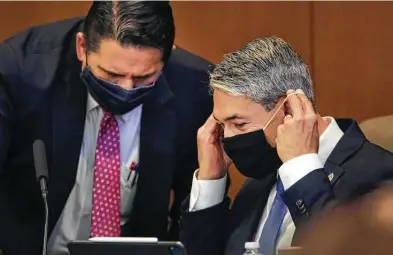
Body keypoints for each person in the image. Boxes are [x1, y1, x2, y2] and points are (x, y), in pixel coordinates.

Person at [0, 1, 214, 255]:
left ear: (168, 57)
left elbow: (194, 213)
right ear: (82, 47)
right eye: (111, 75)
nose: (125, 89)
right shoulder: (19, 71)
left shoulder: (194, 89)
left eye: (144, 77)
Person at [179, 37, 393, 255]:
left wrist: (301, 168)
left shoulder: (380, 175)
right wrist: (210, 182)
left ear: (289, 109)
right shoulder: (259, 180)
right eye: (222, 125)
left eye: (239, 124)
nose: (227, 138)